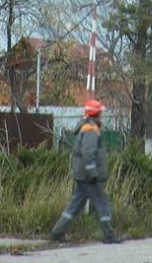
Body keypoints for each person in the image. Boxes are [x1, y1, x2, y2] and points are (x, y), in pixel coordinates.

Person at [50, 98, 124, 244]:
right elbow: (88, 153)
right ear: (97, 114)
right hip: (89, 177)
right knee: (102, 203)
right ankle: (109, 235)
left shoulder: (85, 127)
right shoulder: (91, 129)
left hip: (82, 175)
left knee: (75, 205)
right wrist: (93, 173)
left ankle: (57, 232)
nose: (102, 115)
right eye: (100, 112)